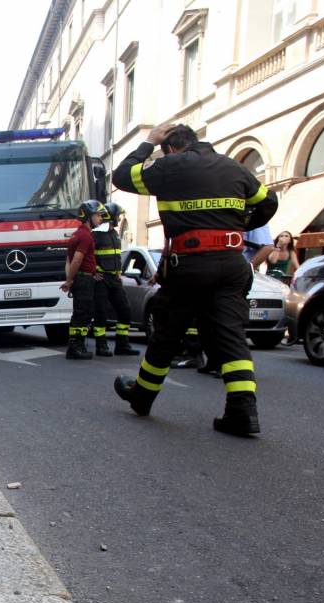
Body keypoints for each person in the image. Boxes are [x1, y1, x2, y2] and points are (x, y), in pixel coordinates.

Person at [110, 123, 278, 436]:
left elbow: (121, 176)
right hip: (231, 264)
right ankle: (243, 411)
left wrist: (148, 142)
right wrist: (238, 227)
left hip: (189, 265)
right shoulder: (235, 168)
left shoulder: (169, 166)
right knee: (231, 338)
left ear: (171, 147)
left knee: (167, 335)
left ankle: (142, 397)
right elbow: (269, 202)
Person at [59, 200, 107, 359]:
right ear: (88, 217)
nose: (100, 218)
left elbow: (68, 260)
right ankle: (76, 347)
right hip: (83, 280)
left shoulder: (76, 234)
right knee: (83, 313)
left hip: (82, 278)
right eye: (98, 215)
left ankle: (75, 345)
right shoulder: (85, 236)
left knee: (81, 312)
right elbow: (77, 260)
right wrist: (70, 280)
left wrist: (70, 278)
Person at [91, 202, 139, 357]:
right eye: (118, 215)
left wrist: (119, 272)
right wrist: (94, 272)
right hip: (101, 279)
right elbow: (87, 255)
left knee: (125, 310)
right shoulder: (96, 234)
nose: (119, 218)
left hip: (115, 279)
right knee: (101, 312)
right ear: (111, 216)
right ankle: (101, 345)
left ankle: (122, 345)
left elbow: (116, 256)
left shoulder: (115, 234)